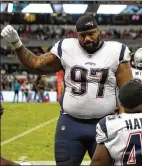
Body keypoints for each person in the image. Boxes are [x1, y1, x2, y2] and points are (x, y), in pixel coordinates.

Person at [1, 14, 133, 166]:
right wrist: (17, 44)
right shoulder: (66, 48)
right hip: (70, 124)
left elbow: (126, 92)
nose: (87, 39)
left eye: (91, 34)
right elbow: (36, 65)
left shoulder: (116, 50)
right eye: (82, 35)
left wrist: (125, 123)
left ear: (99, 31)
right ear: (77, 35)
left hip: (105, 123)